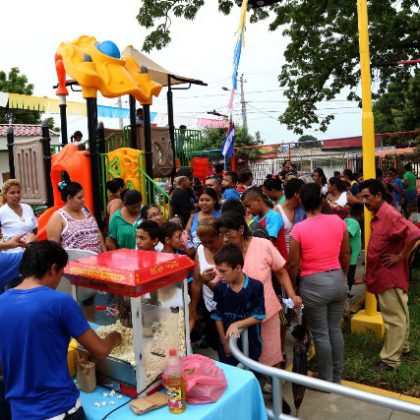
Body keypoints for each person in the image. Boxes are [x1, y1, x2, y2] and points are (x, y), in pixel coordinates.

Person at [0, 240, 122, 419]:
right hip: (59, 410)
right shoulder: (60, 302)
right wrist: (115, 337)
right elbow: (100, 350)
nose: (59, 281)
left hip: (20, 412)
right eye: (61, 274)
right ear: (52, 269)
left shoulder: (2, 301)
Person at [216, 213, 301, 368]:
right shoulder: (225, 254)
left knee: (271, 361)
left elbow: (281, 272)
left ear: (241, 229)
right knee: (245, 365)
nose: (225, 239)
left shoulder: (263, 245)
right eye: (222, 234)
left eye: (228, 233)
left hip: (266, 316)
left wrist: (292, 295)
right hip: (239, 321)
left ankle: (272, 381)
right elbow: (220, 287)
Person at [288, 183, 350, 383]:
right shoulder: (338, 221)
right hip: (337, 279)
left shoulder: (299, 229)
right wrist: (343, 275)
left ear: (301, 202)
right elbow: (346, 253)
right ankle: (336, 377)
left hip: (313, 284)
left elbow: (293, 264)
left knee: (321, 334)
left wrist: (292, 287)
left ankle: (326, 377)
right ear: (322, 201)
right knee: (334, 329)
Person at [360, 179, 420, 371]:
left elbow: (414, 234)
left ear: (378, 195)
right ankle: (403, 346)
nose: (364, 201)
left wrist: (401, 256)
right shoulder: (380, 215)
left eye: (367, 197)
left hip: (390, 276)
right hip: (384, 274)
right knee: (400, 313)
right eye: (362, 198)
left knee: (394, 318)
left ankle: (390, 360)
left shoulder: (389, 214)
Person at [211, 244, 265, 365]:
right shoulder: (220, 287)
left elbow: (258, 316)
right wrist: (224, 341)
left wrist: (236, 324)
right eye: (218, 270)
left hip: (251, 343)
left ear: (238, 268)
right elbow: (217, 316)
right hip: (227, 343)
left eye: (223, 271)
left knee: (250, 370)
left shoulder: (255, 287)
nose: (219, 275)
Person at [189, 220, 223, 349]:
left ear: (220, 236)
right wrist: (193, 310)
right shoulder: (200, 250)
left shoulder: (229, 250)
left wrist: (207, 282)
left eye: (211, 241)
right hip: (209, 307)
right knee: (215, 343)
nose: (208, 245)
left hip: (228, 309)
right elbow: (196, 283)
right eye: (204, 242)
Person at [47, 181, 105, 253]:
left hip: (96, 258)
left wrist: (105, 252)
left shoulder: (86, 210)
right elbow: (53, 249)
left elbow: (97, 232)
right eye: (79, 197)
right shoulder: (58, 217)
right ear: (69, 198)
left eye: (83, 196)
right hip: (74, 260)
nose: (83, 200)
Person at [241, 187, 287, 259]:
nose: (248, 210)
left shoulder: (274, 216)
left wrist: (250, 222)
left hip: (277, 262)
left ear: (258, 200)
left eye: (249, 206)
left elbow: (266, 242)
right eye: (246, 208)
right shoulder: (255, 218)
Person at [0, 179, 37, 253]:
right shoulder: (2, 212)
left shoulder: (28, 208)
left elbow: (35, 231)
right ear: (5, 194)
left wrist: (32, 240)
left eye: (18, 192)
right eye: (12, 193)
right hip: (11, 255)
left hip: (30, 253)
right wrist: (9, 245)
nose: (16, 195)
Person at [277, 178, 306, 252]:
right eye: (303, 193)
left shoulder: (302, 209)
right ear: (296, 194)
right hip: (283, 255)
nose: (305, 195)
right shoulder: (277, 212)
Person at [345, 203, 363, 290]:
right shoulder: (354, 223)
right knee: (349, 279)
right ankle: (347, 294)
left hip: (349, 257)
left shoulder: (346, 220)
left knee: (348, 278)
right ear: (361, 214)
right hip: (351, 259)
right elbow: (347, 234)